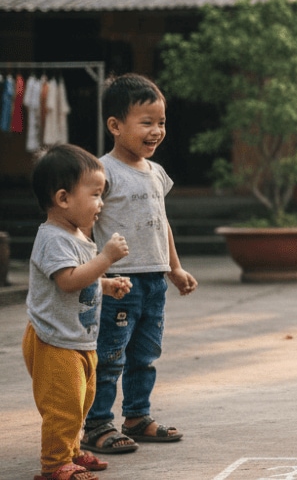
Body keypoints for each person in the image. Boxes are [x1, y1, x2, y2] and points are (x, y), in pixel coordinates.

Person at [82, 74, 198, 455]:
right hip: (119, 284)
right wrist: (95, 273)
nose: (156, 131)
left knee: (145, 355)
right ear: (115, 126)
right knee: (110, 356)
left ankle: (137, 416)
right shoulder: (102, 173)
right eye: (146, 122)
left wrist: (174, 268)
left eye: (161, 122)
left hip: (153, 283)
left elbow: (160, 220)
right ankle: (98, 424)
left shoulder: (156, 173)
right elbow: (83, 228)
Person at [24, 144, 134, 480]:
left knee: (81, 401)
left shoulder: (75, 236)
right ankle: (55, 465)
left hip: (78, 338)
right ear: (63, 198)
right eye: (96, 194)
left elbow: (79, 278)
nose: (101, 203)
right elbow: (68, 281)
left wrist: (104, 283)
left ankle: (70, 452)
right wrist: (106, 259)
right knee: (63, 406)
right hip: (54, 341)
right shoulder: (53, 238)